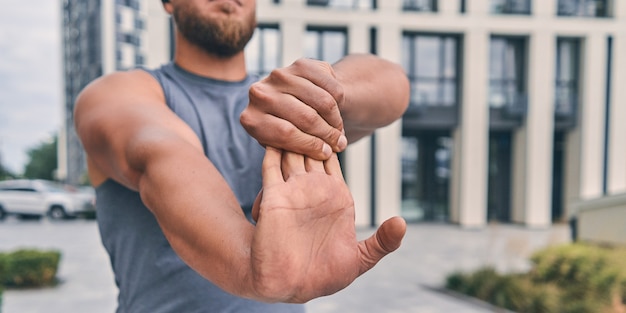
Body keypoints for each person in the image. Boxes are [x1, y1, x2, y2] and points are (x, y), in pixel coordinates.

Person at [73, 0, 410, 312]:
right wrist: (250, 265)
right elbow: (161, 156)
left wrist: (332, 89)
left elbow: (391, 83)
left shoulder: (291, 103)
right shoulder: (116, 94)